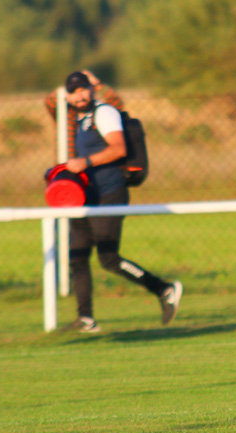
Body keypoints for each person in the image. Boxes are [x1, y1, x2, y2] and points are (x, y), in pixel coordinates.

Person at [52, 71, 182, 333]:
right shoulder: (73, 119)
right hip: (84, 197)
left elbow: (119, 148)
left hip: (109, 194)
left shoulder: (104, 112)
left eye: (84, 89)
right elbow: (48, 104)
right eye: (74, 91)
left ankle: (165, 289)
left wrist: (85, 162)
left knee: (108, 259)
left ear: (92, 89)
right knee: (77, 256)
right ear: (67, 95)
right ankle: (85, 319)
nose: (80, 95)